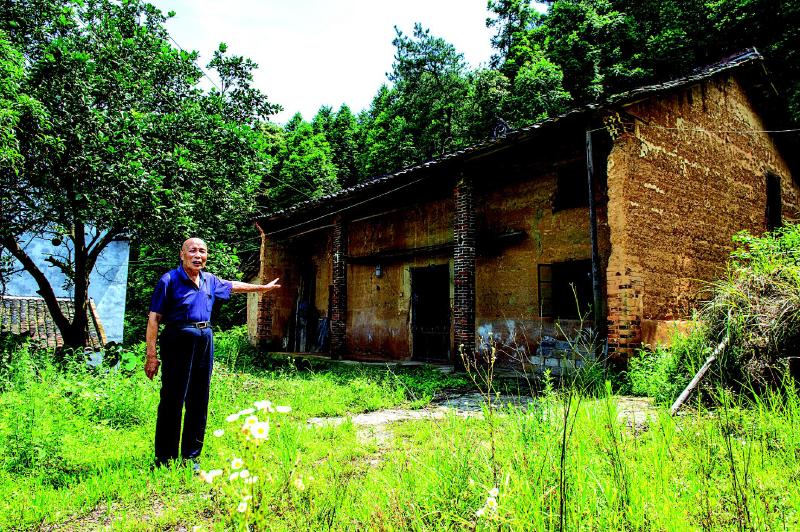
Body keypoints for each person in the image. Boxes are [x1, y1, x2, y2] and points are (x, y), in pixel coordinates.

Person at [144, 237, 280, 468]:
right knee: (172, 400)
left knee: (199, 399)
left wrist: (262, 288)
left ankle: (191, 457)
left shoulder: (209, 280)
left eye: (202, 251)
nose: (198, 255)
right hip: (178, 338)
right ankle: (164, 458)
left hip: (204, 339)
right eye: (193, 251)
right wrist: (151, 356)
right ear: (182, 254)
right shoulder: (169, 280)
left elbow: (233, 285)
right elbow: (154, 319)